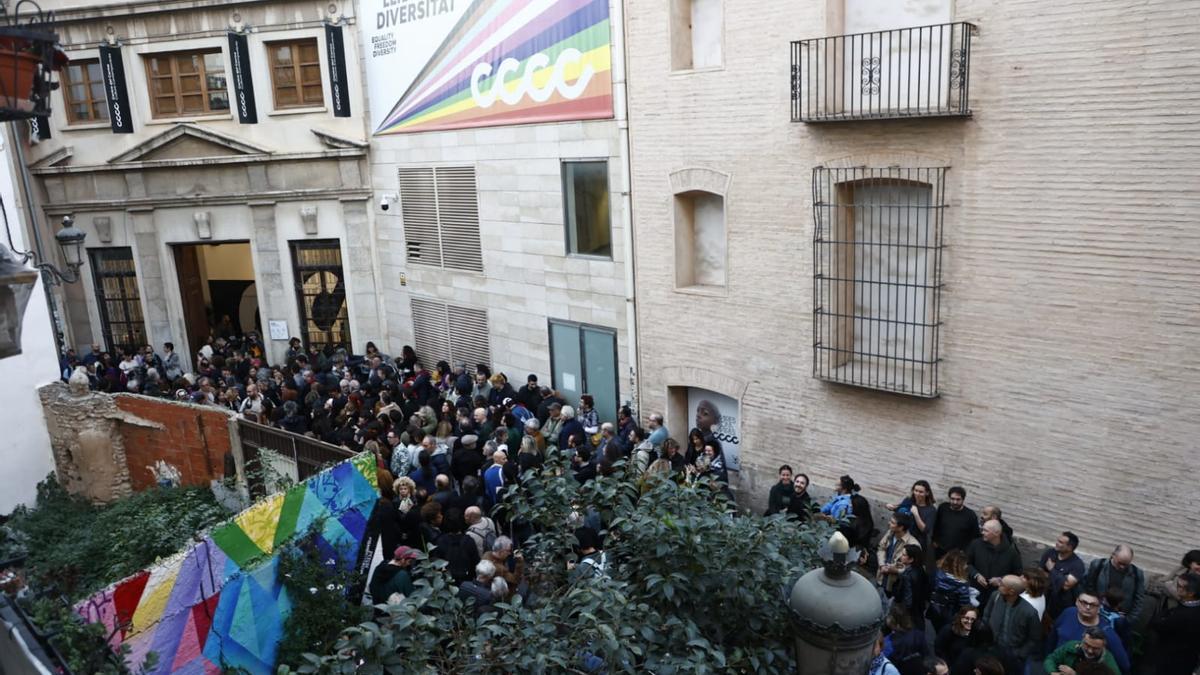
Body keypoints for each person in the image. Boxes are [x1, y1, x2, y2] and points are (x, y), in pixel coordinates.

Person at [1047, 592, 1130, 675]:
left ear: (1099, 607)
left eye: (1092, 605)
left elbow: (1124, 665)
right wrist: (1051, 670)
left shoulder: (1107, 633)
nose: (1087, 607)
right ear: (1077, 602)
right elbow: (1052, 640)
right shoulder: (1068, 613)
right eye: (1084, 602)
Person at [980, 575, 1041, 667]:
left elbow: (1034, 638)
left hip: (1012, 654)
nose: (999, 584)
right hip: (991, 648)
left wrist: (1020, 654)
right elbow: (986, 615)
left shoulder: (1030, 612)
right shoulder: (995, 596)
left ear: (1011, 591)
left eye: (1002, 584)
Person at [1148, 571, 1200, 675]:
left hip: (1170, 660)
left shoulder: (1181, 615)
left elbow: (1157, 624)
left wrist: (1165, 614)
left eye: (1180, 586)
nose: (1177, 588)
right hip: (1188, 660)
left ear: (1190, 593)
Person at [1081, 545, 1145, 625]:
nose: (1122, 567)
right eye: (1120, 563)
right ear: (1113, 555)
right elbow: (1088, 587)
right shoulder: (1098, 565)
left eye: (1126, 564)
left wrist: (1128, 620)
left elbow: (1139, 599)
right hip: (1095, 613)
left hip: (1120, 618)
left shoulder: (1137, 573)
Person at [965, 520, 1021, 609]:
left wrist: (1001, 580)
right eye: (982, 530)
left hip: (996, 595)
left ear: (997, 533)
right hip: (975, 591)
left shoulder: (1011, 553)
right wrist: (976, 575)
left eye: (986, 531)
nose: (982, 533)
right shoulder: (976, 544)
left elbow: (1017, 573)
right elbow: (966, 563)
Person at [1041, 531, 1087, 619]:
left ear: (1070, 547)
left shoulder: (1077, 564)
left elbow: (1066, 585)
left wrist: (1051, 569)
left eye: (1060, 542)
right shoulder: (1050, 553)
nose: (1056, 543)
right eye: (1058, 540)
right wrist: (1060, 578)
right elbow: (1039, 572)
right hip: (1043, 596)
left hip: (1060, 605)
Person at [928, 551, 974, 633]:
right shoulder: (961, 585)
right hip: (950, 615)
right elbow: (964, 605)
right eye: (964, 564)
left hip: (935, 610)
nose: (966, 566)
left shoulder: (936, 575)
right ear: (958, 566)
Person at [1043, 626, 1120, 674]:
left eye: (1095, 648)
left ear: (1103, 646)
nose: (1090, 651)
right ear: (1082, 639)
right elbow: (1051, 659)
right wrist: (1053, 672)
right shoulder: (1071, 646)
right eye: (1087, 645)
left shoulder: (1109, 663)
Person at [878, 514, 922, 593]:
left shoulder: (914, 545)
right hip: (881, 576)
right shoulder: (890, 533)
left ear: (901, 527)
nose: (889, 523)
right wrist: (882, 565)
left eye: (892, 522)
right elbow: (881, 548)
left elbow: (913, 569)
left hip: (895, 585)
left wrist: (896, 570)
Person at [887, 480, 938, 549]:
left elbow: (925, 530)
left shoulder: (931, 510)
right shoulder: (908, 500)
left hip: (913, 543)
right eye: (916, 490)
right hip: (898, 537)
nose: (917, 494)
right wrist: (892, 507)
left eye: (921, 492)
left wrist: (916, 514)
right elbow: (899, 512)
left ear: (927, 493)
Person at [894, 544, 931, 629]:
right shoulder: (921, 570)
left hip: (909, 611)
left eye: (904, 555)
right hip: (919, 607)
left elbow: (908, 597)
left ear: (911, 559)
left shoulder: (907, 575)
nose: (901, 557)